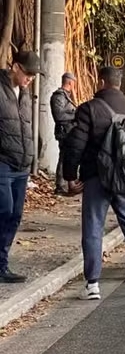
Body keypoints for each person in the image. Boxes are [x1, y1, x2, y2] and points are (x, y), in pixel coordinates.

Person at [62, 66, 125, 299]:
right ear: (120, 83)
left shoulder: (89, 109)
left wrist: (69, 176)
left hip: (97, 177)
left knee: (93, 228)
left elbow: (75, 144)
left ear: (102, 82)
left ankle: (93, 285)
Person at [0, 51, 42, 284]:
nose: (30, 79)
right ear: (15, 67)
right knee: (3, 210)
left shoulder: (25, 94)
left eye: (34, 76)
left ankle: (2, 264)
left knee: (14, 216)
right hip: (3, 163)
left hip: (22, 165)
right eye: (27, 73)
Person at [50, 72, 77, 195]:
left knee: (68, 157)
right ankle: (60, 186)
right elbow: (59, 115)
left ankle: (67, 183)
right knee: (63, 158)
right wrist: (76, 115)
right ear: (70, 82)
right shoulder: (59, 96)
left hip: (70, 132)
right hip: (64, 132)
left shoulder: (66, 96)